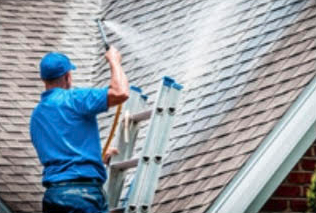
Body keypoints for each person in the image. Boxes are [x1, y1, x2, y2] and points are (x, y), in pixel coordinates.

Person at [30, 46, 129, 213]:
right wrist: (114, 61)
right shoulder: (75, 99)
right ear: (68, 76)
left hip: (53, 197)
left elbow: (62, 152)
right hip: (83, 196)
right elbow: (120, 93)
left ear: (44, 80)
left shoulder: (36, 116)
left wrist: (95, 159)